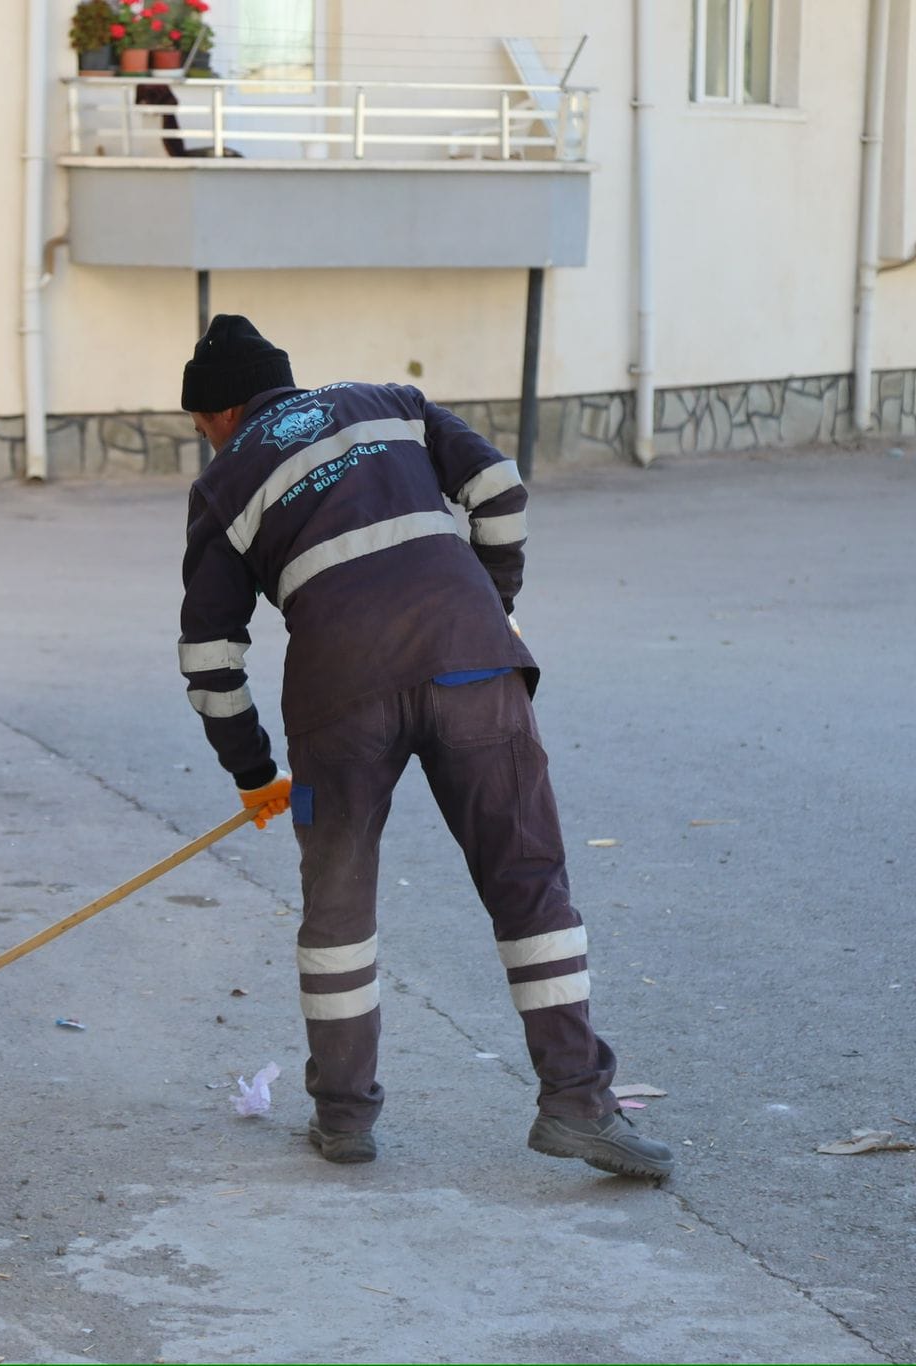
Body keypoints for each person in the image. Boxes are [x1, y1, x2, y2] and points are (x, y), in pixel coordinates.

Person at [176, 314, 673, 1180]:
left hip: (340, 697)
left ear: (217, 416)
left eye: (199, 428)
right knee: (529, 882)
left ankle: (343, 1117)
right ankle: (579, 1104)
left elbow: (210, 655)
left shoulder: (224, 484)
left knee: (338, 912)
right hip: (472, 664)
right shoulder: (388, 403)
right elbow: (501, 487)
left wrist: (253, 772)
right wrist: (490, 599)